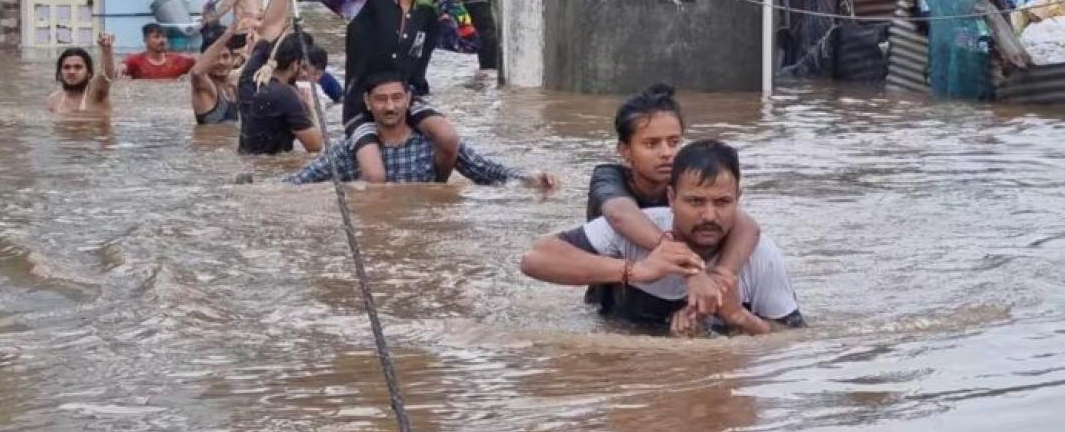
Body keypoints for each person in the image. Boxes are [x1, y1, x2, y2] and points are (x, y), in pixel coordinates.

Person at [521, 140, 804, 336]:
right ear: (670, 198)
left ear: (738, 201)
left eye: (722, 202)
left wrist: (739, 318)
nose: (708, 215)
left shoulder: (760, 256)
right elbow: (535, 258)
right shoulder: (637, 231)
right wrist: (637, 271)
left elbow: (795, 341)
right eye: (694, 202)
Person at [301, 0, 479, 183]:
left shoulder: (427, 16)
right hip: (362, 105)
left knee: (448, 138)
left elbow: (469, 42)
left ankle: (435, 189)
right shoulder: (365, 1)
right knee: (375, 175)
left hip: (407, 102)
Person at [580, 84, 762, 317]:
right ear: (624, 150)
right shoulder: (608, 177)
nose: (667, 152)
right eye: (651, 144)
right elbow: (619, 214)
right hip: (616, 296)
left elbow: (747, 226)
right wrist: (690, 266)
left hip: (679, 293)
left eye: (674, 142)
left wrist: (720, 279)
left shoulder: (688, 180)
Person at [286, 72, 555, 187]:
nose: (390, 107)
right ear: (368, 103)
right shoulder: (351, 151)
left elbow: (488, 171)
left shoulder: (431, 143)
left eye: (396, 98)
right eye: (381, 99)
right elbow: (300, 182)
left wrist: (529, 180)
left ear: (409, 99)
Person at [239, 32, 324, 155]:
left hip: (250, 159)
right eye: (304, 67)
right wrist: (309, 107)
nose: (304, 73)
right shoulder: (286, 95)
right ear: (295, 64)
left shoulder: (252, 79)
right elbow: (316, 146)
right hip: (270, 168)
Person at [191, 19, 252, 124]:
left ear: (232, 58)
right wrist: (227, 34)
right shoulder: (204, 88)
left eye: (225, 56)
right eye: (215, 58)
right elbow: (197, 72)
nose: (221, 62)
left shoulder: (232, 87)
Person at [46, 33, 117, 116]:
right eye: (66, 67)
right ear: (60, 72)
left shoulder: (95, 94)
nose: (71, 71)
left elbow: (107, 77)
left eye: (78, 67)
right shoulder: (53, 100)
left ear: (89, 73)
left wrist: (106, 50)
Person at [120, 23, 196, 79]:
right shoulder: (135, 61)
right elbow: (116, 74)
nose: (162, 40)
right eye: (156, 37)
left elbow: (201, 65)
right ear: (145, 40)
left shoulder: (178, 61)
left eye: (164, 37)